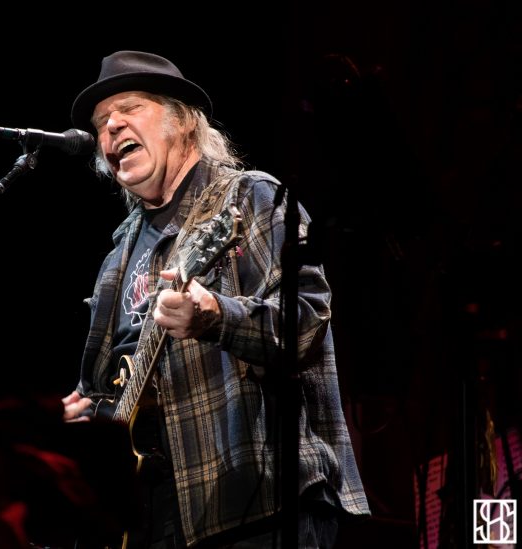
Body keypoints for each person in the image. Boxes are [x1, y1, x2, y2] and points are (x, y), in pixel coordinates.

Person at [61, 51, 370, 548]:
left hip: (253, 504)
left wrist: (216, 315)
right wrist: (86, 418)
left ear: (183, 121)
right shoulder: (116, 259)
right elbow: (105, 390)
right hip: (149, 522)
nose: (111, 126)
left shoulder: (248, 198)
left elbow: (307, 322)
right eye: (101, 123)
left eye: (130, 108)